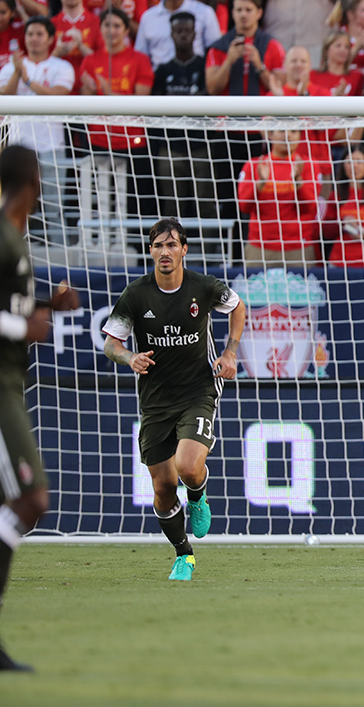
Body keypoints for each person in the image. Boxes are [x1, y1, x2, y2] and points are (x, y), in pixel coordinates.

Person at [101, 218, 244, 582]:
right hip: (155, 401)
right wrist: (129, 358)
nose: (165, 252)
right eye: (157, 246)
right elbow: (111, 344)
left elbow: (238, 307)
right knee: (163, 488)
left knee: (188, 466)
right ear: (150, 251)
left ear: (183, 249)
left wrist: (230, 352)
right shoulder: (135, 294)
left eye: (171, 245)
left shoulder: (204, 287)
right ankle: (184, 555)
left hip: (198, 389)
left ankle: (197, 496)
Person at [0, 145, 81, 671]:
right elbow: (8, 319)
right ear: (33, 180)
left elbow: (13, 306)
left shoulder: (16, 238)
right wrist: (22, 327)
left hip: (10, 381)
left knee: (22, 503)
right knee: (32, 499)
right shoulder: (2, 235)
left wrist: (49, 306)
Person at [77, 8, 154, 253]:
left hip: (132, 142)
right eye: (107, 25)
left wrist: (107, 91)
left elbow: (141, 100)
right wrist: (89, 91)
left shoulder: (139, 59)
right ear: (100, 30)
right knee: (98, 197)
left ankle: (138, 248)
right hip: (98, 139)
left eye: (117, 25)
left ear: (126, 29)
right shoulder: (91, 60)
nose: (112, 31)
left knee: (134, 200)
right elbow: (84, 102)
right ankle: (94, 245)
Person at [0, 18, 74, 251]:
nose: (34, 38)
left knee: (54, 207)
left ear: (50, 38)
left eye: (39, 34)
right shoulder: (11, 67)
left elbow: (57, 95)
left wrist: (28, 80)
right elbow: (5, 95)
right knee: (14, 202)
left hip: (51, 146)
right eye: (30, 33)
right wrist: (18, 73)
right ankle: (14, 252)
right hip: (18, 148)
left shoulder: (62, 67)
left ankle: (60, 256)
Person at [151, 13, 214, 223]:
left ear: (195, 33)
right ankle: (172, 251)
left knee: (205, 203)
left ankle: (210, 252)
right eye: (179, 31)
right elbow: (153, 113)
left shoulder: (206, 68)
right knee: (171, 205)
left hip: (200, 146)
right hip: (170, 147)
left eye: (188, 31)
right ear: (171, 34)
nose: (183, 35)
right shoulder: (163, 71)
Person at [236, 129, 321, 268]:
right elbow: (244, 207)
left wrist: (298, 182)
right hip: (260, 247)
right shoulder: (254, 165)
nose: (287, 136)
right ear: (270, 135)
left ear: (300, 136)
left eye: (293, 131)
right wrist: (260, 184)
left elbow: (309, 208)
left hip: (298, 248)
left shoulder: (309, 165)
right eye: (282, 131)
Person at [133, 0, 221, 68]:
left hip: (194, 79)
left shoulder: (205, 13)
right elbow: (141, 56)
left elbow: (215, 52)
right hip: (158, 80)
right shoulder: (148, 17)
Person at [205, 0, 286, 96]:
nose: (243, 14)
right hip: (227, 111)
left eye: (248, 10)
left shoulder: (273, 46)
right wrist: (228, 61)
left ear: (259, 13)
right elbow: (212, 90)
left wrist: (259, 66)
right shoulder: (218, 47)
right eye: (239, 10)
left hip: (263, 111)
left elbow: (280, 90)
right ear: (233, 13)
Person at [50, 0, 100, 91]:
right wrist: (57, 52)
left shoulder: (96, 22)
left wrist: (81, 46)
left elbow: (103, 61)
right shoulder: (51, 24)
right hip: (59, 91)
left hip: (88, 92)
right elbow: (41, 64)